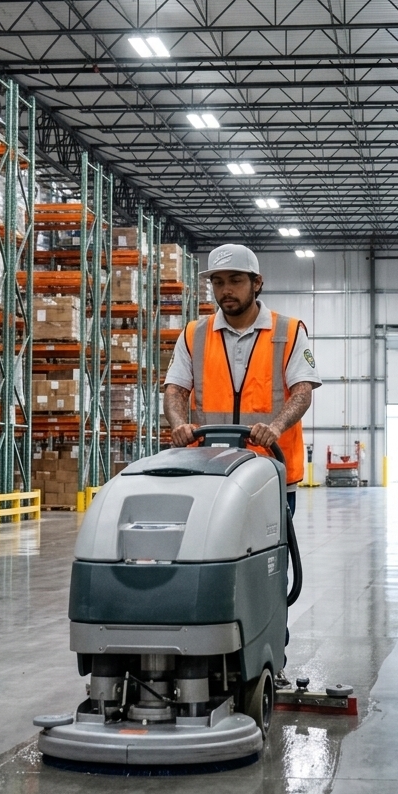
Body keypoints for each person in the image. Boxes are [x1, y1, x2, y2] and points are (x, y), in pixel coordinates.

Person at [163, 244, 321, 685]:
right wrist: (178, 424)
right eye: (217, 282)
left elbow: (303, 391)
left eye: (234, 280)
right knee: (204, 566)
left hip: (269, 477)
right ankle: (210, 655)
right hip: (209, 474)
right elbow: (175, 389)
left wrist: (275, 426)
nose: (225, 290)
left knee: (268, 571)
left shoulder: (288, 332)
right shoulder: (194, 334)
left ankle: (272, 659)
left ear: (257, 283)